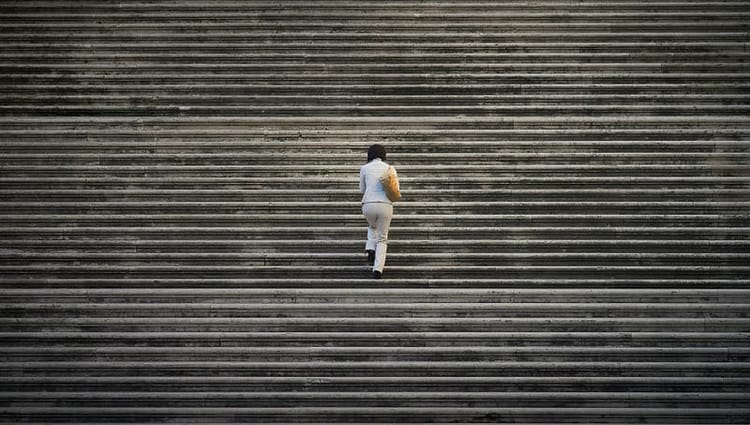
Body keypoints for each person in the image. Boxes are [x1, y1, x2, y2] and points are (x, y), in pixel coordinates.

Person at [359, 144, 398, 279]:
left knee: (372, 225)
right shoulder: (390, 169)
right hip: (385, 205)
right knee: (382, 238)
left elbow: (362, 189)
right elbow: (395, 188)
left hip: (368, 204)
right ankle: (378, 269)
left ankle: (370, 246)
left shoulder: (364, 168)